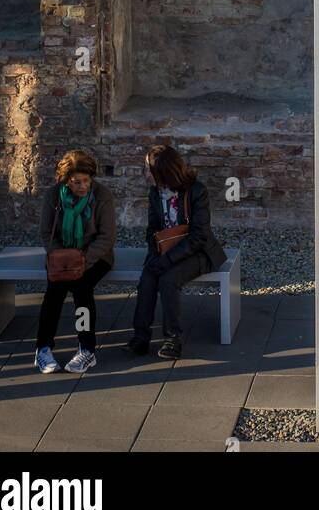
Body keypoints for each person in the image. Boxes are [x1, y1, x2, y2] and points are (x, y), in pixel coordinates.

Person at [125, 144, 227, 360]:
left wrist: (167, 260)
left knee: (168, 280)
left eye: (148, 170)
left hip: (198, 252)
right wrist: (155, 254)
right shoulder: (155, 193)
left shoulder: (196, 191)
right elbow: (153, 228)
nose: (145, 175)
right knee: (147, 279)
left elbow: (199, 235)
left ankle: (173, 339)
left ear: (162, 172)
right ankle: (141, 336)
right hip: (166, 250)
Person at [35, 150, 116, 374]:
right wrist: (63, 258)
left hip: (94, 256)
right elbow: (46, 233)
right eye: (76, 182)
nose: (82, 186)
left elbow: (107, 237)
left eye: (86, 180)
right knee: (54, 290)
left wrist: (82, 261)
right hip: (61, 256)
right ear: (66, 181)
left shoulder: (102, 196)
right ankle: (43, 348)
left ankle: (86, 349)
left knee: (82, 288)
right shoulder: (53, 196)